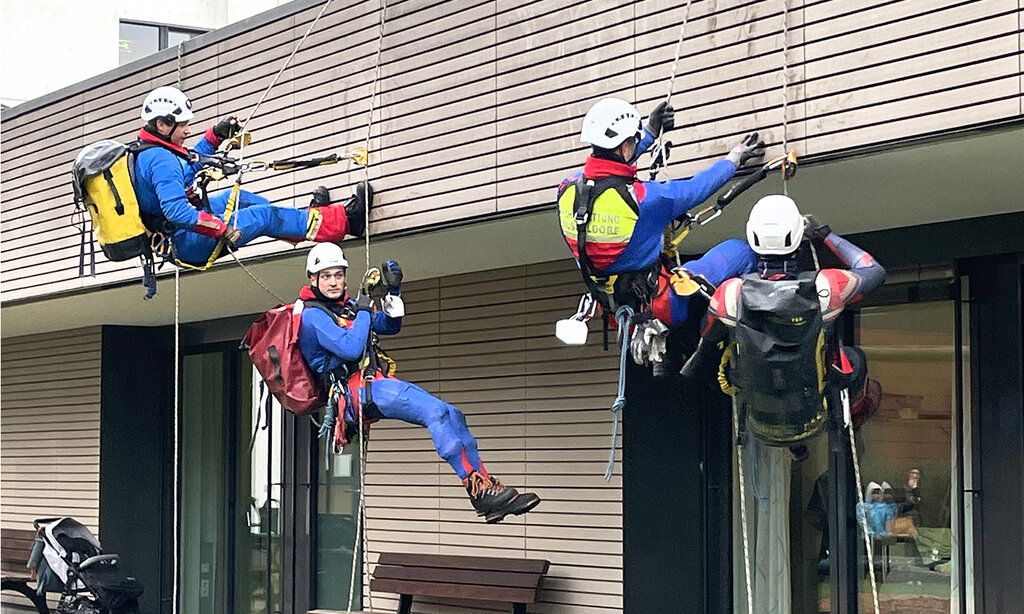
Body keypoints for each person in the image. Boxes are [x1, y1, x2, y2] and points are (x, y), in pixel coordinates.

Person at [296, 243, 541, 523]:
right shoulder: (312, 316)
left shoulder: (347, 308)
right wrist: (364, 304)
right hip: (352, 393)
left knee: (453, 413)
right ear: (313, 279)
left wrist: (394, 291)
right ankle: (475, 487)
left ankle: (484, 490)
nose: (333, 282)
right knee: (433, 412)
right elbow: (351, 349)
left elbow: (390, 326)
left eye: (338, 275)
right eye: (326, 276)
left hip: (370, 383)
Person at [681, 194, 886, 448]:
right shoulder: (826, 287)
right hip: (812, 413)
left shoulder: (730, 294)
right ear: (797, 238)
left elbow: (706, 343)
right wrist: (825, 235)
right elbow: (874, 271)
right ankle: (848, 422)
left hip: (759, 419)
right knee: (855, 359)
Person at [556, 97, 765, 325]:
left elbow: (606, 169)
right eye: (633, 142)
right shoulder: (645, 200)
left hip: (612, 307)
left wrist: (649, 132)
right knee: (740, 250)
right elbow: (697, 187)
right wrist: (734, 159)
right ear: (626, 145)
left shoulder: (567, 188)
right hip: (660, 305)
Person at [132, 86, 370, 265]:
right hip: (189, 243)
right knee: (263, 216)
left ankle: (308, 222)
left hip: (180, 232)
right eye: (182, 124)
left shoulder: (148, 151)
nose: (188, 130)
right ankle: (349, 222)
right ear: (162, 125)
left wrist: (215, 136)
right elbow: (178, 212)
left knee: (242, 198)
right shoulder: (161, 160)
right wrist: (220, 229)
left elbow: (184, 171)